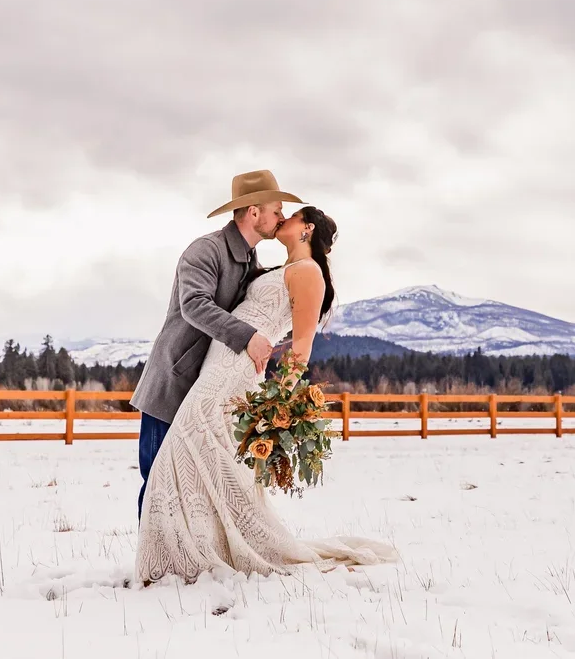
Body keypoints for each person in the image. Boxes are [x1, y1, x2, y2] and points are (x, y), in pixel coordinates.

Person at [135, 203, 398, 583]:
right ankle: (189, 553)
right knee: (197, 460)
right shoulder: (272, 266)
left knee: (182, 453)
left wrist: (279, 401)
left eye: (290, 215)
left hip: (234, 371)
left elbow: (302, 347)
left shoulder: (308, 272)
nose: (283, 218)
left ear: (307, 229)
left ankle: (190, 556)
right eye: (278, 211)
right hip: (216, 364)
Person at [128, 170, 300, 520]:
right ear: (254, 212)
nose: (281, 217)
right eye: (277, 209)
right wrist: (248, 337)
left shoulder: (249, 259)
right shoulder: (205, 250)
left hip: (205, 389)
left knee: (190, 484)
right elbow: (194, 305)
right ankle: (149, 553)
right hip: (173, 385)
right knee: (158, 479)